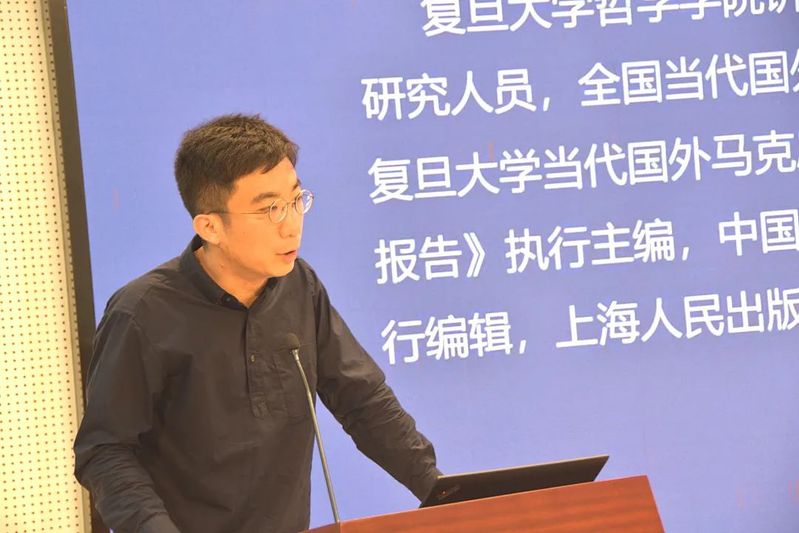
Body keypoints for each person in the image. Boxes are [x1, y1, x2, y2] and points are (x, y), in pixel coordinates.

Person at [73, 114, 441, 533]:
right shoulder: (143, 313)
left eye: (296, 201)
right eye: (270, 209)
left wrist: (439, 490)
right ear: (210, 226)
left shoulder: (300, 285)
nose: (291, 225)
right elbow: (105, 450)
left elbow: (363, 401)